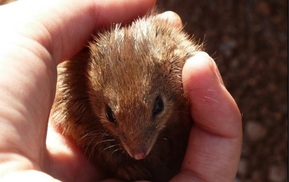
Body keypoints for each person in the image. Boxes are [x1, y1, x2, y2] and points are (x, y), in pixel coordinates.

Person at [0, 0, 242, 181]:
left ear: (168, 65)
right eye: (111, 116)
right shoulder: (82, 78)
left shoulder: (171, 55)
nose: (138, 151)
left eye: (157, 108)